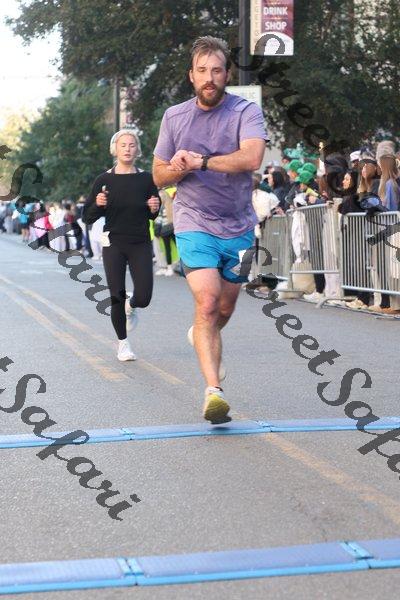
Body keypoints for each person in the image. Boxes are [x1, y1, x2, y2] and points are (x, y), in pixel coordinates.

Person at [153, 36, 266, 423]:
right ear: (191, 75)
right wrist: (177, 168)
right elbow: (158, 175)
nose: (209, 78)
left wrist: (201, 162)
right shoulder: (174, 117)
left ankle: (204, 334)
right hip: (193, 220)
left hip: (240, 224)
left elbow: (252, 157)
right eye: (202, 71)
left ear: (227, 74)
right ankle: (213, 391)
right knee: (207, 302)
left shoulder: (246, 111)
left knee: (226, 307)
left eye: (216, 70)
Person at [84, 129, 160, 361]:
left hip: (140, 242)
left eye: (131, 145)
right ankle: (123, 344)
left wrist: (154, 208)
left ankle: (132, 304)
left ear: (137, 150)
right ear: (114, 149)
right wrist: (98, 204)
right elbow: (88, 216)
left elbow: (153, 212)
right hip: (114, 243)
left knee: (144, 297)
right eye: (123, 145)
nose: (127, 149)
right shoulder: (103, 181)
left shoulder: (147, 179)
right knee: (116, 294)